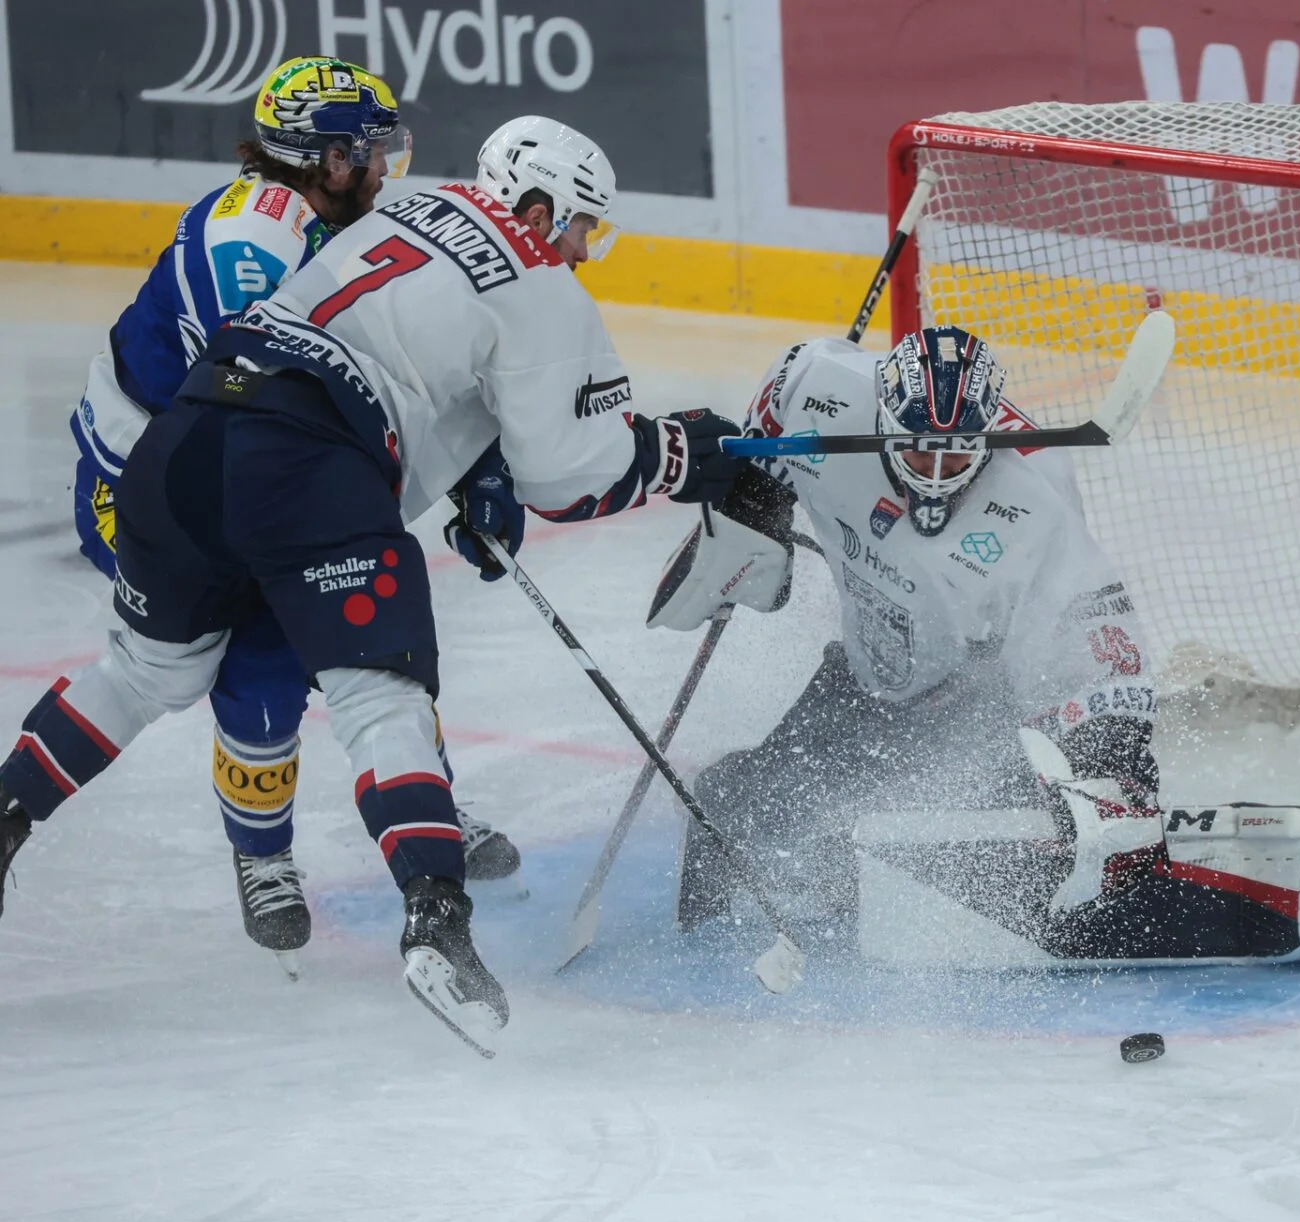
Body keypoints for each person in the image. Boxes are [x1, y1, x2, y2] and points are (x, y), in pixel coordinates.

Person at [0, 115, 746, 1055]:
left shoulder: (412, 209)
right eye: (581, 227)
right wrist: (683, 452)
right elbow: (571, 472)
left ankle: (7, 812)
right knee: (379, 697)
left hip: (190, 432)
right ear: (539, 204)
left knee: (143, 673)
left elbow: (420, 356)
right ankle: (437, 917)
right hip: (310, 463)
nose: (582, 252)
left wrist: (481, 466)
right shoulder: (544, 284)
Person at [647, 327, 1300, 968]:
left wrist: (1108, 767)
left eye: (956, 454)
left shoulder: (1033, 498)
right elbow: (768, 420)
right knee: (729, 811)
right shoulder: (819, 389)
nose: (936, 473)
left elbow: (1100, 651)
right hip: (862, 686)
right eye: (917, 451)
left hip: (978, 721)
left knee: (1081, 872)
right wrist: (756, 503)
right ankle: (740, 943)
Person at [62, 56, 520, 979]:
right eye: (369, 153)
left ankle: (417, 804)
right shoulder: (249, 249)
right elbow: (271, 417)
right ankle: (263, 853)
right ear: (324, 160)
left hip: (246, 462)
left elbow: (399, 351)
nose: (388, 170)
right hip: (156, 480)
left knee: (372, 639)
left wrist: (481, 455)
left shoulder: (334, 217)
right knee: (264, 658)